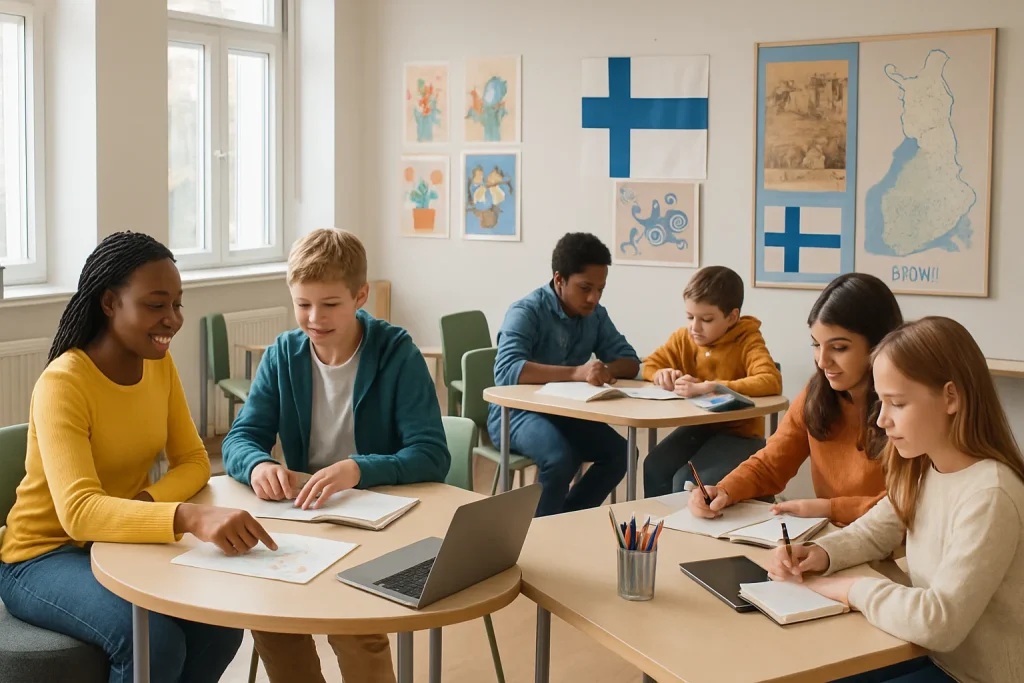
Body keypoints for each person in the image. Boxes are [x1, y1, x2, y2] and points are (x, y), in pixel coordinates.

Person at [0, 232, 271, 683]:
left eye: (177, 304)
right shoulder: (63, 383)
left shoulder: (159, 365)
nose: (173, 319)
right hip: (42, 556)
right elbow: (79, 514)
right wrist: (184, 516)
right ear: (110, 303)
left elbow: (194, 460)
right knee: (153, 641)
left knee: (219, 626)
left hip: (117, 541)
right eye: (156, 304)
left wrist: (144, 505)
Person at [222, 227, 449, 683]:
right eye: (302, 304)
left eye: (329, 304)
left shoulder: (397, 352)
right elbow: (239, 438)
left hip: (378, 523)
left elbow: (431, 455)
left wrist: (357, 469)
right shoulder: (283, 355)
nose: (314, 318)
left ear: (360, 296)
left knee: (355, 630)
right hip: (306, 518)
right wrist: (259, 463)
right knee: (272, 620)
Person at [767, 317, 1024, 683]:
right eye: (881, 402)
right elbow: (872, 533)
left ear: (951, 397)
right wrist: (818, 553)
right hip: (924, 652)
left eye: (897, 403)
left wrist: (849, 589)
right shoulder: (923, 468)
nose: (882, 420)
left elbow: (940, 621)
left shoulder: (990, 495)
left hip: (969, 674)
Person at [689, 272, 902, 526]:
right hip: (832, 535)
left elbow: (909, 505)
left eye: (839, 348)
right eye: (816, 345)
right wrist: (724, 490)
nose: (822, 361)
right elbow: (772, 464)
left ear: (879, 344)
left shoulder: (909, 406)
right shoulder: (817, 393)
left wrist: (829, 508)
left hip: (891, 544)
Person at [489, 232, 639, 517]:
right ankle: (539, 532)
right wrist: (577, 373)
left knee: (623, 453)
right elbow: (507, 370)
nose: (593, 298)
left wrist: (607, 369)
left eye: (600, 289)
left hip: (566, 413)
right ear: (559, 279)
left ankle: (567, 518)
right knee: (560, 458)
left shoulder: (596, 315)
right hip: (516, 414)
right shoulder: (526, 311)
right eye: (585, 288)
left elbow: (630, 362)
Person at [642, 266, 782, 496]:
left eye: (706, 319)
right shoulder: (684, 338)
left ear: (732, 317)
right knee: (655, 466)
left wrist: (712, 387)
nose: (694, 327)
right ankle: (660, 520)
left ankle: (691, 521)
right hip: (698, 427)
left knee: (687, 481)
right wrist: (660, 373)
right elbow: (649, 364)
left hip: (740, 433)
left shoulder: (747, 339)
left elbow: (770, 380)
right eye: (690, 317)